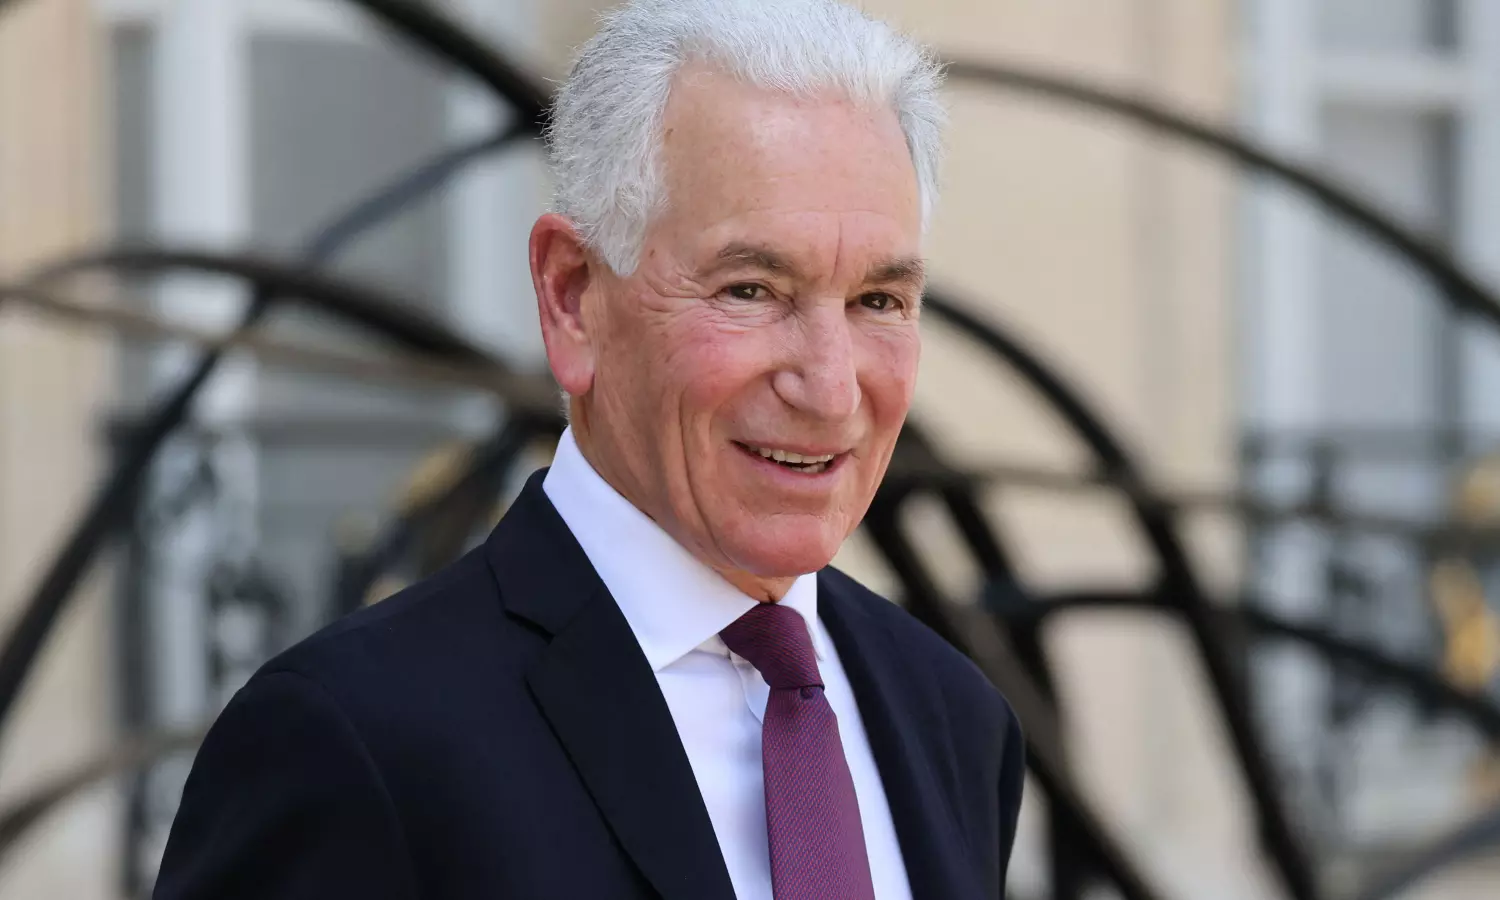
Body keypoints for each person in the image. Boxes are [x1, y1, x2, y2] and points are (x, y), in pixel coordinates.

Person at [153, 1, 1025, 897]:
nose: (831, 387)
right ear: (572, 297)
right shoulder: (354, 740)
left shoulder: (954, 719)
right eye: (752, 290)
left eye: (878, 301)